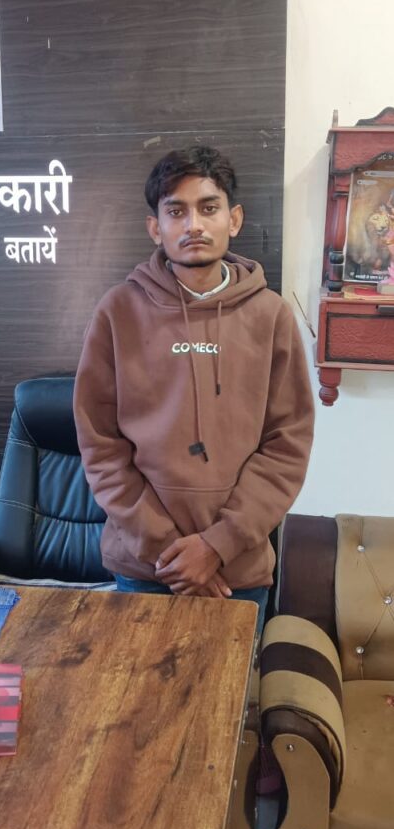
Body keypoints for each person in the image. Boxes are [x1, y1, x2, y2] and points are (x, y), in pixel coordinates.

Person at [74, 145, 314, 633]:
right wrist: (170, 550)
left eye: (208, 208)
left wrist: (217, 546)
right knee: (132, 685)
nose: (194, 225)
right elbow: (100, 444)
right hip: (146, 567)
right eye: (176, 211)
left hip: (237, 569)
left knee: (226, 687)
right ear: (155, 227)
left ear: (234, 219)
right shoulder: (117, 311)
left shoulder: (271, 315)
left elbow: (287, 445)